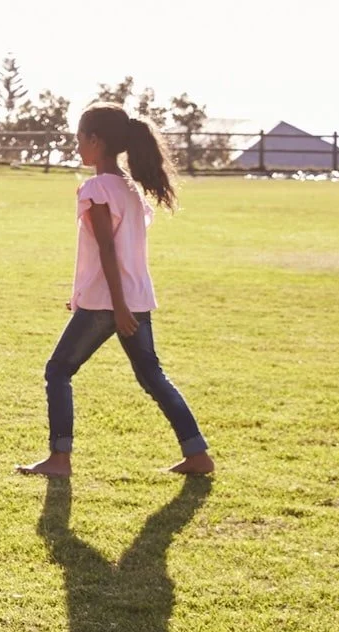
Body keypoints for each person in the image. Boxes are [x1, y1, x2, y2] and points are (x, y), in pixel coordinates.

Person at [17, 103, 212, 478]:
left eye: (79, 139)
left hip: (111, 303)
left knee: (58, 370)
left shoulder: (97, 189)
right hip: (132, 299)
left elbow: (108, 250)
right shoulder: (130, 190)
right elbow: (116, 251)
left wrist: (116, 306)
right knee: (151, 375)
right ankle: (197, 454)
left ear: (96, 140)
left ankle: (59, 459)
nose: (76, 147)